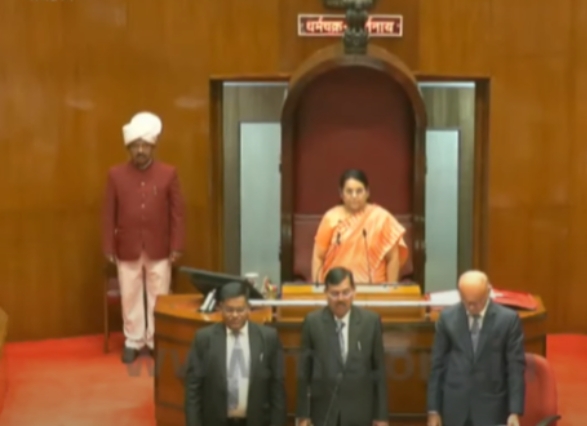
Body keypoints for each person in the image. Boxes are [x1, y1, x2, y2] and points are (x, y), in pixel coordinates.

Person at [101, 111, 186, 364]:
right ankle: (134, 340)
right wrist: (108, 246)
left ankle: (156, 339)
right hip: (126, 247)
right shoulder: (115, 174)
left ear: (152, 146)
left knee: (159, 295)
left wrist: (177, 245)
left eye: (145, 145)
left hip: (160, 247)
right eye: (136, 146)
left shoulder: (168, 173)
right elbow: (108, 213)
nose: (140, 150)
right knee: (130, 294)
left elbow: (177, 213)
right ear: (129, 148)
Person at [427, 271, 525, 426]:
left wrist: (514, 411)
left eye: (477, 302)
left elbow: (515, 368)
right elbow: (437, 366)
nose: (472, 307)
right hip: (455, 407)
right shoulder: (447, 318)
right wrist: (433, 410)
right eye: (467, 302)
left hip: (491, 408)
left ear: (488, 292)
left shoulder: (508, 320)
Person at [296, 267, 388, 426]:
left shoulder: (371, 322)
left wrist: (381, 417)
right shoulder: (312, 323)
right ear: (326, 293)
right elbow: (304, 373)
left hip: (360, 414)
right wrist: (303, 416)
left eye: (345, 292)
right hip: (324, 415)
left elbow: (379, 372)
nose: (340, 299)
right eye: (334, 293)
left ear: (354, 292)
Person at [184, 282, 286, 426]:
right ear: (220, 308)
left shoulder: (268, 338)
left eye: (240, 310)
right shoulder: (204, 339)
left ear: (249, 308)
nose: (235, 315)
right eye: (229, 310)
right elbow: (193, 391)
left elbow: (277, 391)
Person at [312, 169, 408, 284]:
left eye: (359, 191)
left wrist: (391, 289)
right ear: (341, 194)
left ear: (367, 192)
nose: (354, 196)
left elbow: (392, 258)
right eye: (349, 191)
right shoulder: (330, 217)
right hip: (337, 288)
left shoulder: (381, 217)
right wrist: (317, 288)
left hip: (374, 288)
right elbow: (318, 256)